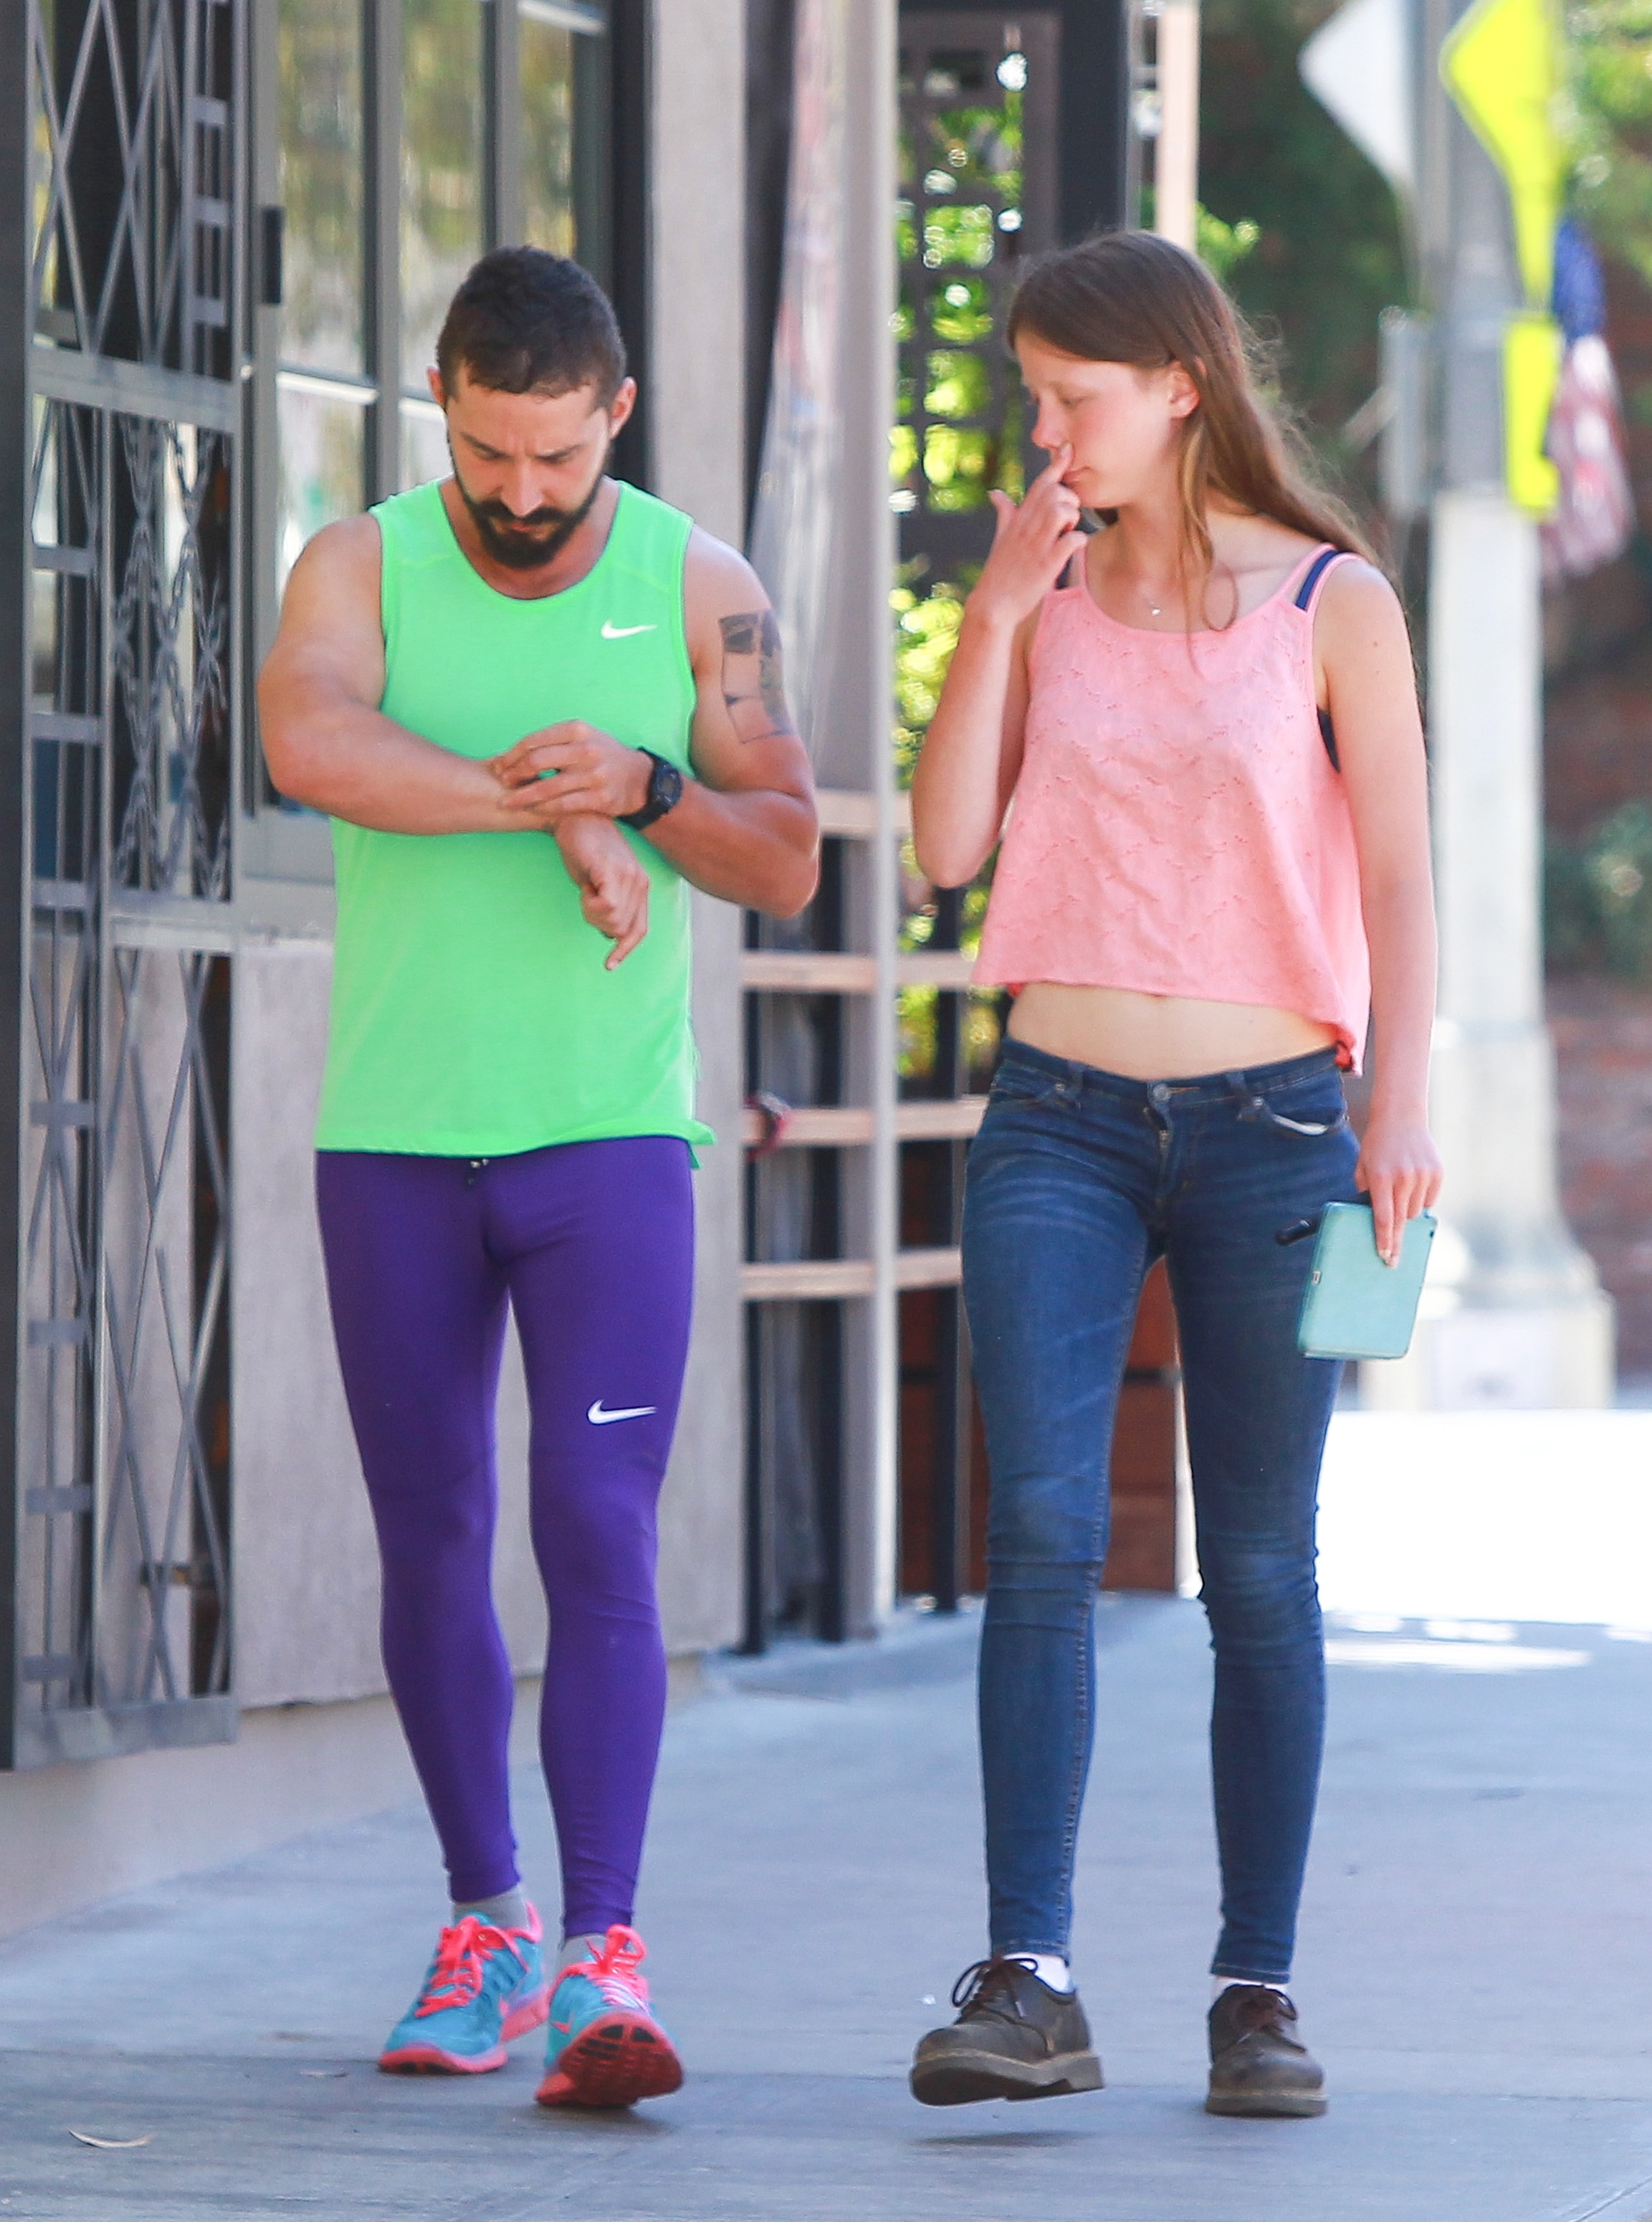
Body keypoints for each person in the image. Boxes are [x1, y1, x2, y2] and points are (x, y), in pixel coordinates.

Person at [258, 247, 817, 2109]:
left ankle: (601, 1956)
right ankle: (484, 1924)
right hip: (395, 1139)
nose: (518, 493)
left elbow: (784, 855)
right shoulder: (354, 566)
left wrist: (644, 790)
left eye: (557, 457)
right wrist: (555, 806)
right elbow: (310, 741)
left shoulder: (705, 588)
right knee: (429, 1529)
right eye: (487, 451)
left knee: (593, 1518)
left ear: (617, 415)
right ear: (443, 403)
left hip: (606, 1145)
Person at [906, 231, 1441, 2120]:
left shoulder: (1332, 601)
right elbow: (945, 849)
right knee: (1041, 1532)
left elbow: (1400, 874)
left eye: (1074, 396)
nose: (1046, 429)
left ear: (1179, 387)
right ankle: (1028, 1978)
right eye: (1032, 396)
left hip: (1278, 1126)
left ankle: (1256, 1991)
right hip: (1054, 1115)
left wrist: (1401, 1102)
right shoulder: (1042, 599)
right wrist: (991, 615)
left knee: (1262, 1564)